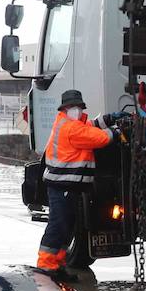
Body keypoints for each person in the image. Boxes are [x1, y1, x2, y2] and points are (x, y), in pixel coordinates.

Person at [37, 89, 126, 276]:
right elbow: (99, 138)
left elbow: (90, 126)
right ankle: (45, 266)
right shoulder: (71, 128)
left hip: (65, 186)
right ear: (65, 108)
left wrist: (109, 119)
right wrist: (117, 131)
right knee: (59, 225)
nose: (76, 110)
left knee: (66, 226)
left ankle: (57, 264)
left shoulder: (67, 122)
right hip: (63, 185)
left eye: (78, 107)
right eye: (72, 107)